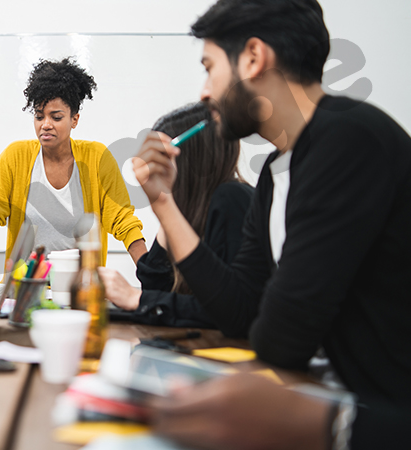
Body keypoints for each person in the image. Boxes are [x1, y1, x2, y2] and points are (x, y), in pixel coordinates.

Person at [133, 0, 411, 447]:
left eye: (210, 68)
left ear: (253, 57)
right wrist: (164, 202)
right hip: (318, 403)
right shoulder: (277, 171)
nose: (205, 92)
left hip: (365, 423)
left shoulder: (346, 139)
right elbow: (241, 310)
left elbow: (281, 337)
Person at [0, 57, 146, 267]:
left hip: (80, 289)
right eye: (38, 116)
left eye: (56, 117)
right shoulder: (15, 156)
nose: (45, 125)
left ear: (75, 119)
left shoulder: (97, 157)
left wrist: (150, 272)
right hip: (24, 289)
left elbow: (122, 219)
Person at [98, 102, 253, 328]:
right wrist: (167, 207)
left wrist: (135, 297)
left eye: (162, 155)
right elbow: (154, 285)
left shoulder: (231, 198)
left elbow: (228, 308)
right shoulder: (188, 210)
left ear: (188, 157)